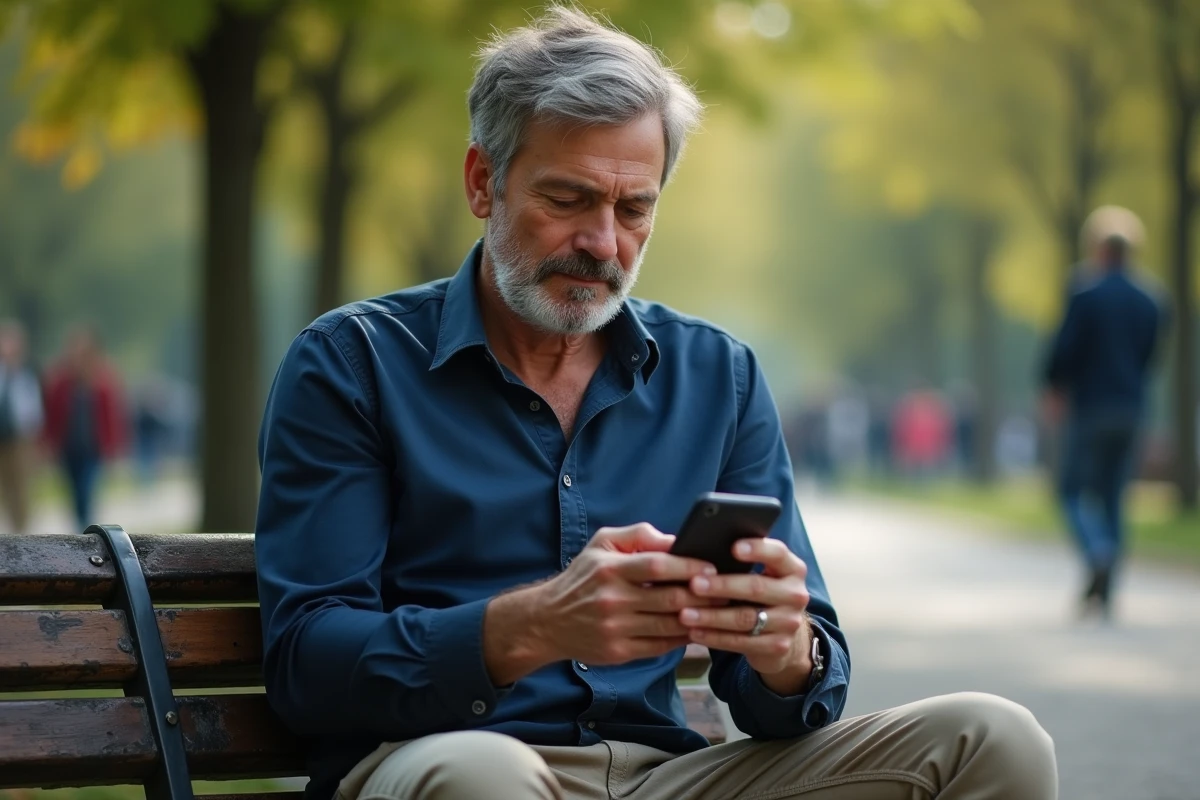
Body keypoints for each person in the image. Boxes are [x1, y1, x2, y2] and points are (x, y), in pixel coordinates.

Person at [255, 9, 1057, 800]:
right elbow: (305, 660)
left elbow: (793, 688)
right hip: (443, 763)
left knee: (996, 738)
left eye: (633, 208)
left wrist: (785, 651)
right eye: (567, 200)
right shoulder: (353, 363)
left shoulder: (719, 375)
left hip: (667, 779)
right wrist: (529, 626)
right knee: (483, 777)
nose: (604, 243)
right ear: (481, 181)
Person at [1042, 213, 1168, 618]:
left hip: (1090, 405)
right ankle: (1107, 589)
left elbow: (1065, 347)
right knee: (1115, 497)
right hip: (1130, 407)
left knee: (1071, 490)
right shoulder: (1152, 298)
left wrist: (1054, 386)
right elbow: (1150, 356)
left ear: (1099, 248)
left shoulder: (1084, 291)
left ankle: (1098, 551)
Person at [41, 328, 127, 530]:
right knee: (74, 493)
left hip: (93, 449)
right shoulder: (62, 382)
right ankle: (81, 527)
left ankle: (86, 528)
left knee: (86, 489)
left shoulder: (103, 381)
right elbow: (52, 415)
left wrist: (114, 446)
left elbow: (113, 417)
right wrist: (47, 443)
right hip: (69, 448)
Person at [0, 321, 44, 534]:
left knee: (20, 484)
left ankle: (21, 527)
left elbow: (33, 406)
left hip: (19, 437)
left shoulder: (26, 372)